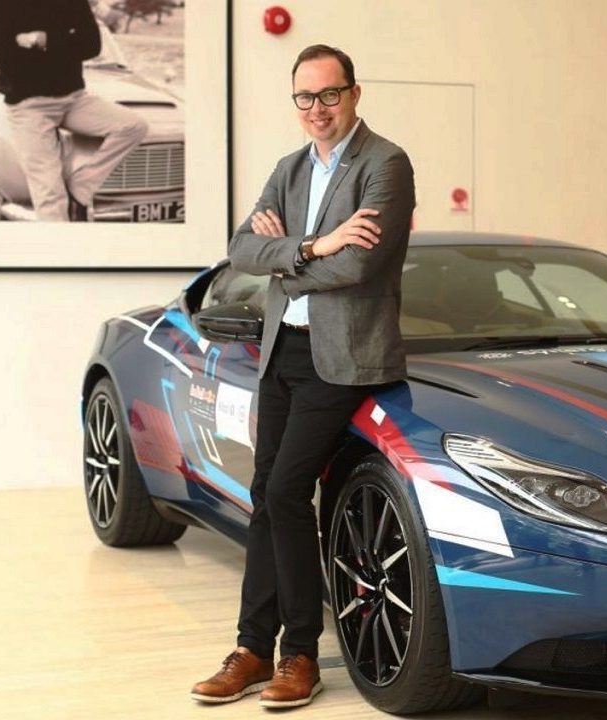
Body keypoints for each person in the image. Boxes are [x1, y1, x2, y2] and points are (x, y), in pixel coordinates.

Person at [190, 44, 415, 709]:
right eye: (305, 97)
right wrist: (318, 244)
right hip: (282, 353)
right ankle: (252, 648)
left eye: (329, 94)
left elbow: (362, 266)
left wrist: (284, 262)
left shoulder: (385, 164)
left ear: (354, 93)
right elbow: (242, 249)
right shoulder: (289, 169)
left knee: (288, 491)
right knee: (266, 493)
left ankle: (300, 655)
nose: (317, 108)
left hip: (341, 358)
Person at [0, 0, 148, 221]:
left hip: (74, 99)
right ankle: (61, 242)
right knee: (50, 196)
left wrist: (43, 40)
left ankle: (81, 186)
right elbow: (8, 60)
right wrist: (68, 42)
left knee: (134, 126)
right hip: (29, 105)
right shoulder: (1, 3)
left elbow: (92, 45)